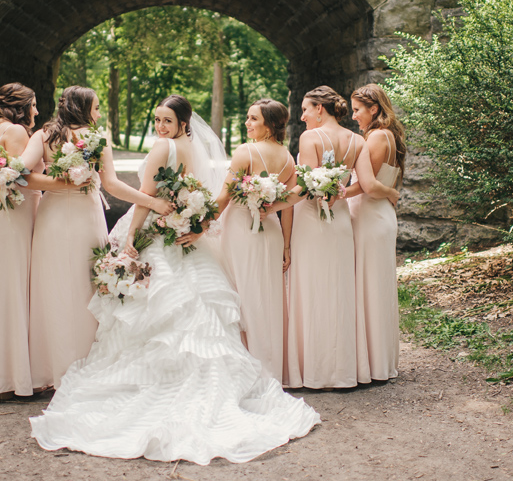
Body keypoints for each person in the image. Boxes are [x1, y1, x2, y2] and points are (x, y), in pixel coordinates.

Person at [29, 95, 320, 465]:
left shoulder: (163, 147)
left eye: (167, 120)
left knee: (157, 311)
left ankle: (159, 384)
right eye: (156, 119)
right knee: (193, 310)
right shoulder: (191, 146)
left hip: (160, 229)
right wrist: (195, 221)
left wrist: (132, 235)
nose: (160, 126)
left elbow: (147, 197)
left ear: (183, 122)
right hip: (184, 233)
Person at [25, 86, 173, 390]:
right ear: (83, 109)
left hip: (56, 216)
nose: (99, 114)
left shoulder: (43, 135)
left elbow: (22, 175)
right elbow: (113, 186)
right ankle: (80, 365)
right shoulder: (91, 138)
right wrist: (151, 202)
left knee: (53, 284)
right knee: (85, 286)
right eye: (96, 108)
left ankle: (50, 367)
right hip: (78, 216)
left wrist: (55, 184)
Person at [268, 85, 399, 388]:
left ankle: (313, 369)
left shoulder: (310, 138)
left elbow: (302, 189)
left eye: (305, 109)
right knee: (340, 292)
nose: (301, 117)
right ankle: (343, 371)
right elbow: (366, 184)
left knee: (310, 290)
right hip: (340, 222)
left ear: (319, 108)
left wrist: (271, 205)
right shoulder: (356, 140)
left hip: (312, 222)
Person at [0, 83, 68, 399]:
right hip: (8, 216)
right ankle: (8, 381)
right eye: (34, 105)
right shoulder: (18, 132)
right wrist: (66, 184)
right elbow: (19, 176)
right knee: (9, 294)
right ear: (22, 107)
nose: (37, 112)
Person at [215, 99, 295, 382]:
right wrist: (286, 245)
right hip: (270, 231)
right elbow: (287, 205)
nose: (247, 123)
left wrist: (200, 223)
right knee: (267, 296)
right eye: (247, 118)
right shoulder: (288, 158)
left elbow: (225, 197)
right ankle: (269, 367)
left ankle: (244, 370)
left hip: (242, 228)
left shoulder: (245, 151)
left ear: (270, 124)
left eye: (253, 119)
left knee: (241, 293)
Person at [347, 83, 406, 381]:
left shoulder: (377, 137)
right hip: (378, 213)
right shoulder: (386, 135)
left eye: (357, 110)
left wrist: (333, 191)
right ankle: (377, 360)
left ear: (374, 109)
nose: (354, 116)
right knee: (375, 285)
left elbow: (366, 184)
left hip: (371, 215)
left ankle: (373, 364)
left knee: (370, 286)